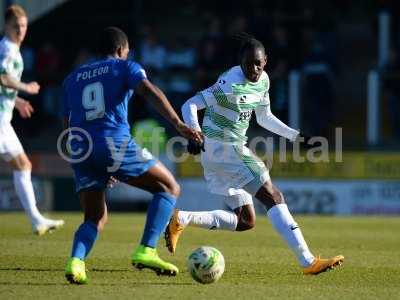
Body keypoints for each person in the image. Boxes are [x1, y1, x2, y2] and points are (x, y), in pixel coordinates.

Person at [165, 33, 344, 275]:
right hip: (224, 148)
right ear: (240, 63)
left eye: (258, 64)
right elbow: (190, 104)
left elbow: (264, 117)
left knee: (245, 221)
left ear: (265, 61)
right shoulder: (230, 83)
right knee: (273, 195)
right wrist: (194, 132)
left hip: (218, 153)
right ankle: (308, 261)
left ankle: (182, 219)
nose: (254, 69)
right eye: (248, 64)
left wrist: (296, 137)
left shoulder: (264, 81)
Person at [62, 27, 201, 284]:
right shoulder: (124, 67)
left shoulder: (72, 78)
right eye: (127, 52)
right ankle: (146, 250)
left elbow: (67, 122)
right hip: (112, 142)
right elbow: (148, 91)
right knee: (168, 187)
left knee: (94, 217)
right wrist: (178, 124)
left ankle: (76, 262)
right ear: (120, 50)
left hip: (80, 150)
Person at [0, 5, 64, 235]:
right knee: (22, 165)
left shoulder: (12, 49)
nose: (20, 30)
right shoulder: (7, 49)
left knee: (23, 165)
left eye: (24, 26)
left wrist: (17, 102)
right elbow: (3, 77)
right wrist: (25, 87)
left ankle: (36, 219)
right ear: (6, 26)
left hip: (4, 121)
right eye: (16, 26)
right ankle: (36, 218)